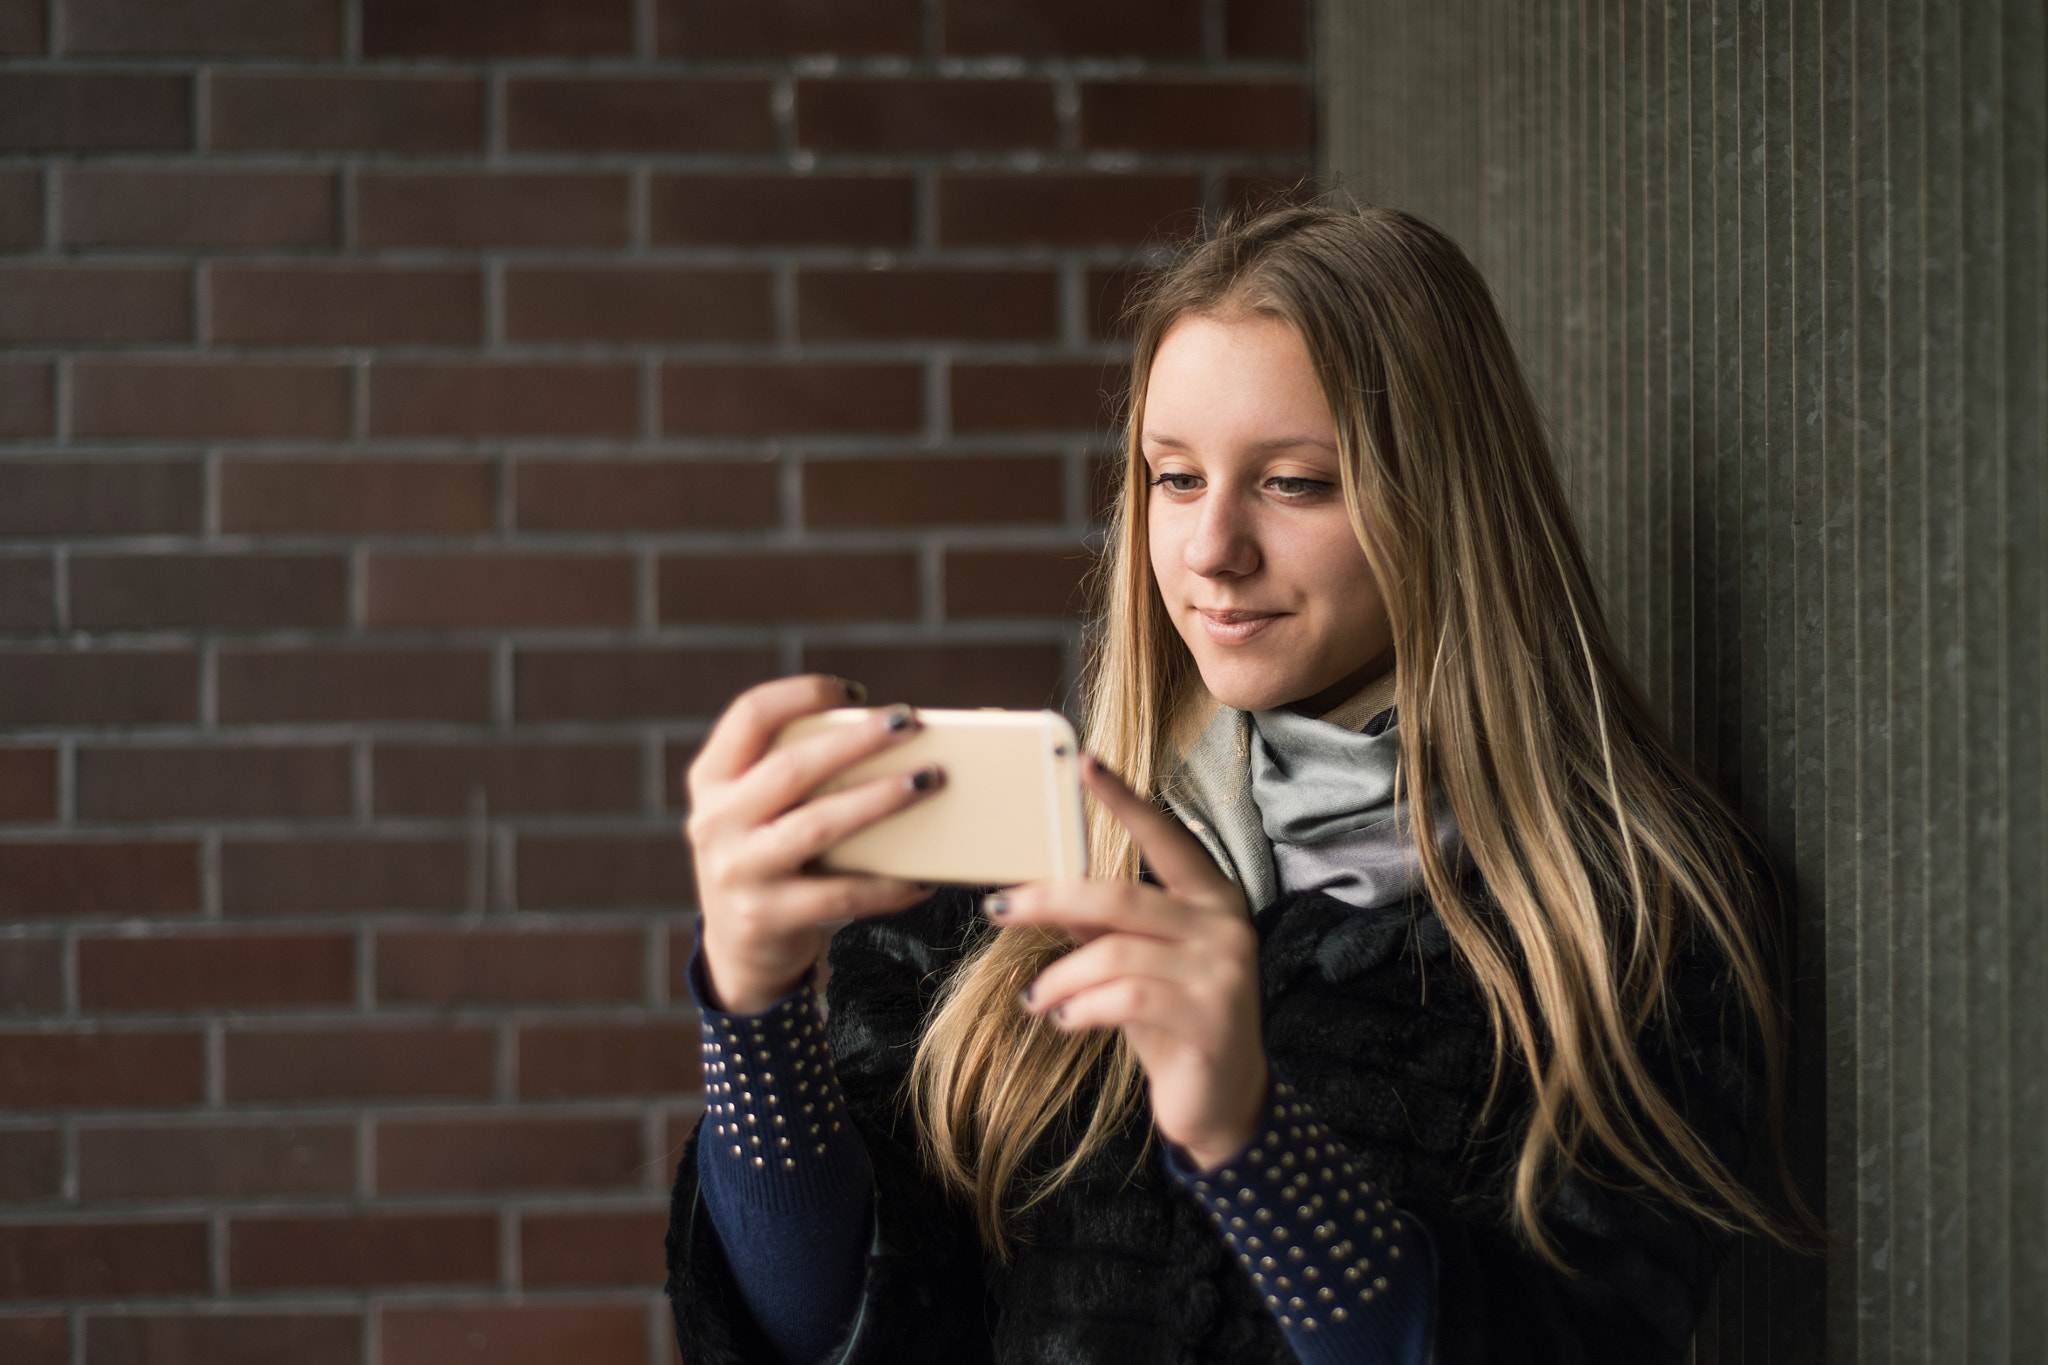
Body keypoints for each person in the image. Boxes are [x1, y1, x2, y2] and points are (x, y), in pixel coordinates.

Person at [665, 204, 1804, 1365]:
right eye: (1172, 477)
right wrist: (755, 1016)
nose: (1211, 548)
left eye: (1295, 484)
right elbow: (832, 1332)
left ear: (1444, 501)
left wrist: (1249, 1144)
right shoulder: (1009, 880)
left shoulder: (1628, 918)